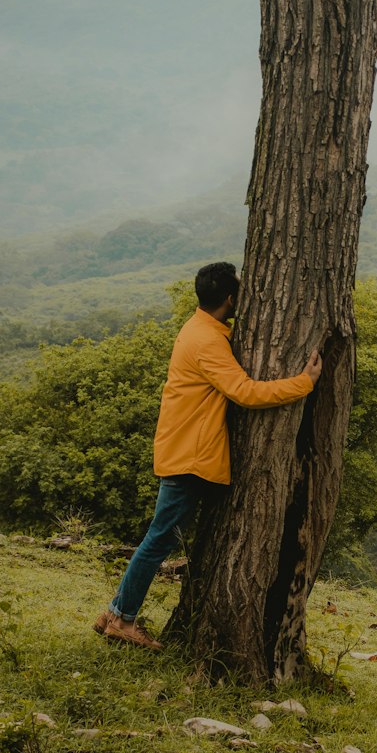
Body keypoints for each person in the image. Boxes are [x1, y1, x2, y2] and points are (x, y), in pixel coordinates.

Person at [94, 261, 321, 650]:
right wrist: (304, 382)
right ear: (230, 299)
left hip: (186, 449)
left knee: (160, 538)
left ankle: (116, 612)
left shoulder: (203, 328)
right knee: (159, 539)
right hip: (190, 455)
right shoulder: (208, 341)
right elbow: (246, 393)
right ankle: (121, 618)